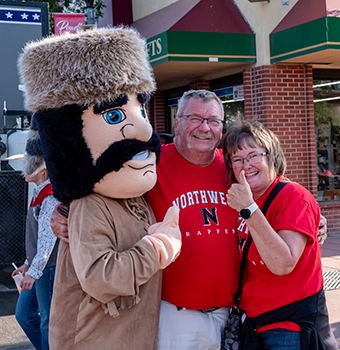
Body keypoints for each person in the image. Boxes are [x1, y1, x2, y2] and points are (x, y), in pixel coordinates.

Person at [51, 90, 329, 350]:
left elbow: (271, 184)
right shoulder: (153, 164)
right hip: (175, 316)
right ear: (179, 122)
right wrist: (64, 210)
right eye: (195, 118)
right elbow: (104, 183)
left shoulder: (232, 165)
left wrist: (313, 217)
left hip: (229, 316)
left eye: (213, 120)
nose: (204, 127)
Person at [18, 27, 181, 350]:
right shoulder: (91, 204)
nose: (145, 130)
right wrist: (160, 245)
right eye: (116, 114)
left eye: (141, 109)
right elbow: (103, 279)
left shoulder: (134, 195)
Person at [222, 118, 337, 350]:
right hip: (253, 322)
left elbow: (283, 263)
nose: (246, 165)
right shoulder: (244, 198)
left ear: (271, 156)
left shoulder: (293, 197)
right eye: (237, 159)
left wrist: (249, 209)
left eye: (254, 155)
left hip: (286, 326)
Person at [12, 126, 59, 350]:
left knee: (46, 322)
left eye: (29, 163)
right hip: (40, 268)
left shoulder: (49, 196)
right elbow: (41, 239)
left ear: (42, 170)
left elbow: (48, 241)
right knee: (27, 317)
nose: (24, 168)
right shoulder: (40, 192)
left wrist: (33, 269)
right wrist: (28, 264)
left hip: (48, 269)